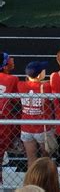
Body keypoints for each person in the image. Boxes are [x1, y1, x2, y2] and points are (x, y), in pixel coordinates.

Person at [17, 61, 53, 167]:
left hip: (26, 128)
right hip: (42, 128)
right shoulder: (46, 87)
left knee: (31, 159)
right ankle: (44, 181)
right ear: (39, 75)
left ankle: (31, 180)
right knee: (45, 160)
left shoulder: (21, 85)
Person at [0, 51, 19, 183]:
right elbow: (18, 100)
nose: (12, 59)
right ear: (5, 65)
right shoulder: (12, 79)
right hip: (4, 122)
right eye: (9, 59)